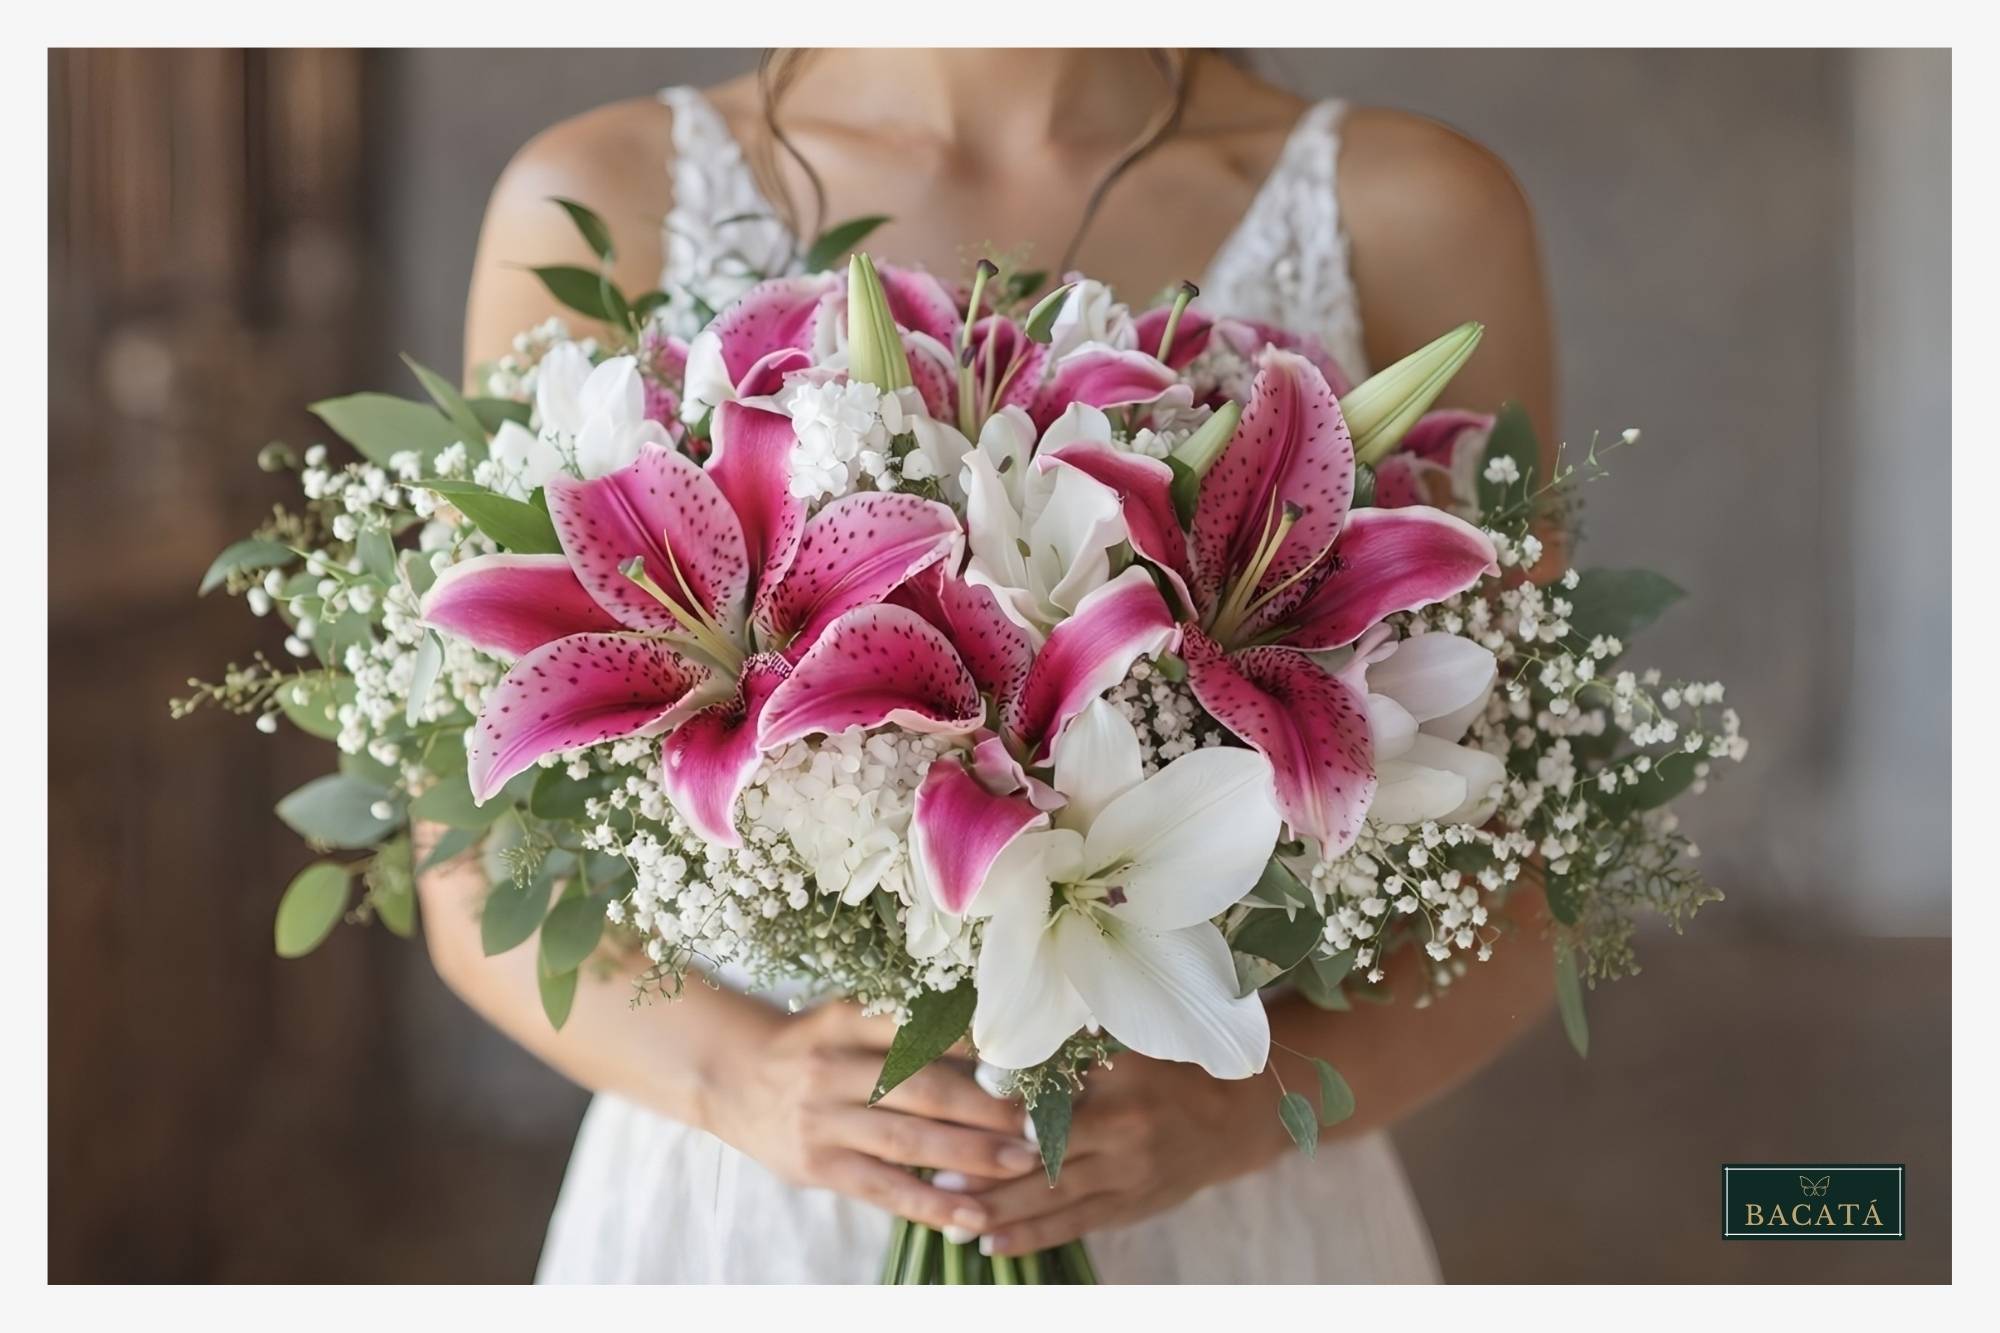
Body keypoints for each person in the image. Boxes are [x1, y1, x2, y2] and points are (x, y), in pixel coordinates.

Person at [431, 47, 1558, 1283]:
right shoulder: (604, 189)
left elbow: (1530, 868)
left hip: (1204, 1202)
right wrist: (735, 1077)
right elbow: (475, 861)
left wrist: (1229, 1116)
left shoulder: (1410, 204)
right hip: (750, 1206)